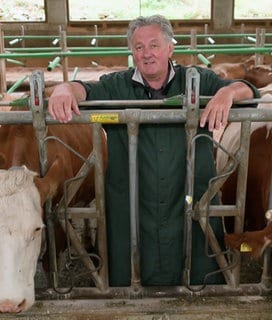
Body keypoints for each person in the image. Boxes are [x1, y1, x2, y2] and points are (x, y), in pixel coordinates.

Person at [48, 15, 260, 287]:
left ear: (170, 48)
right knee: (130, 278)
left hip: (188, 196)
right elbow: (85, 89)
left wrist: (226, 93)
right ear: (132, 53)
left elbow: (248, 90)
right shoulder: (117, 86)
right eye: (138, 47)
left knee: (199, 275)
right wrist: (64, 89)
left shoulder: (198, 80)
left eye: (154, 45)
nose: (146, 54)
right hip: (135, 204)